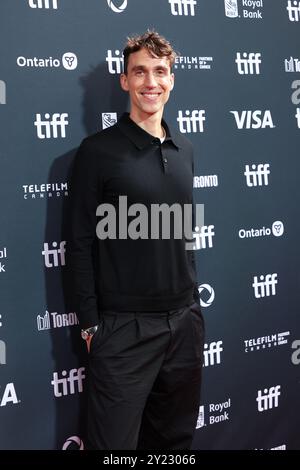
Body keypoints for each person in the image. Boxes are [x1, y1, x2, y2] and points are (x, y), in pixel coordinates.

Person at [69, 30, 205, 450]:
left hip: (183, 324)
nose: (152, 82)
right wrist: (91, 323)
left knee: (173, 443)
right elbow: (78, 242)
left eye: (160, 71)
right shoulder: (97, 151)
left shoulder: (185, 151)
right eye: (140, 71)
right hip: (124, 330)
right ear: (124, 81)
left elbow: (181, 235)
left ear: (172, 79)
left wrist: (192, 309)